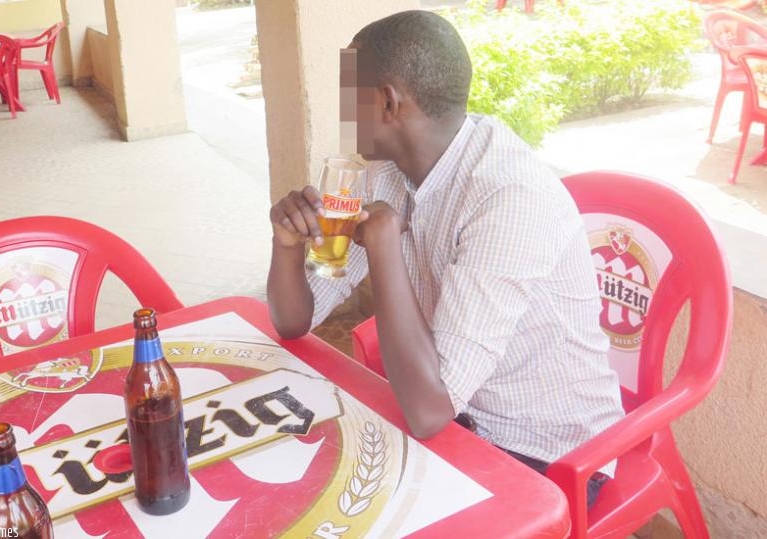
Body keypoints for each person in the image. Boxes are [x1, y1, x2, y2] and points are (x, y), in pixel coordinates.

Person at [266, 9, 624, 507]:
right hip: (458, 419)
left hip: (549, 454)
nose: (342, 115)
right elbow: (293, 320)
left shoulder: (507, 197)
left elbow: (428, 412)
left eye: (350, 98)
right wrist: (287, 245)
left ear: (388, 102)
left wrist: (385, 244)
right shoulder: (386, 175)